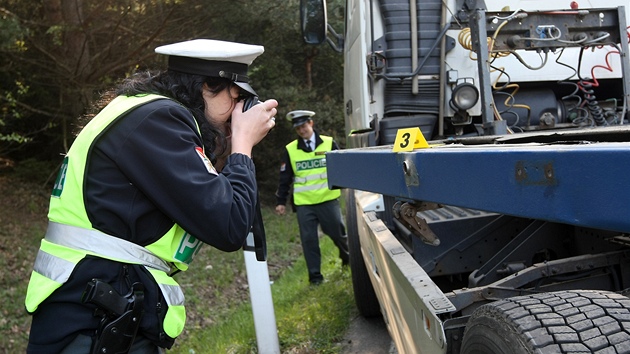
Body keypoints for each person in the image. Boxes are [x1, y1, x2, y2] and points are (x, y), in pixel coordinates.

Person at [24, 38, 278, 354]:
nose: (238, 110)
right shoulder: (159, 119)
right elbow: (229, 226)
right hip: (96, 315)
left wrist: (229, 145)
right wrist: (243, 144)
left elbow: (211, 199)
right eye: (237, 97)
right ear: (206, 87)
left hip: (98, 305)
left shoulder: (143, 112)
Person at [274, 110, 349, 285]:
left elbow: (341, 168)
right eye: (298, 128)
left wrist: (347, 186)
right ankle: (315, 278)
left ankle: (347, 258)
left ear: (311, 123)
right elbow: (285, 178)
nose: (302, 130)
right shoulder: (291, 150)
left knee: (338, 234)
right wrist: (280, 202)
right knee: (309, 241)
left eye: (304, 126)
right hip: (304, 204)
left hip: (328, 200)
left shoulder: (329, 143)